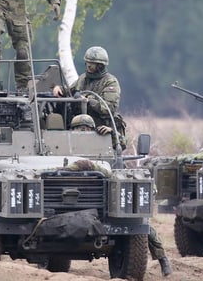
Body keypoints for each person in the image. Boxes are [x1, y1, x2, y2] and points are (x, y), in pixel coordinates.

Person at [69, 114, 172, 277]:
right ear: (72, 130)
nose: (84, 132)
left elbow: (119, 148)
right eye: (79, 129)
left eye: (87, 128)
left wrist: (112, 134)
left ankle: (162, 258)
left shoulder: (102, 141)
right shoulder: (66, 145)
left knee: (139, 225)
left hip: (102, 200)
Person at [53, 46, 126, 150]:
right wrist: (59, 89)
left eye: (92, 64)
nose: (89, 66)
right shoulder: (83, 78)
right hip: (79, 128)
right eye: (88, 63)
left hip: (100, 128)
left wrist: (88, 100)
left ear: (100, 66)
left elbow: (108, 107)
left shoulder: (110, 82)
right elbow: (69, 91)